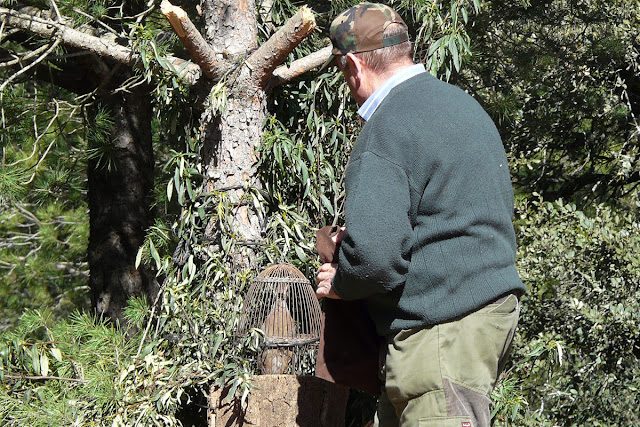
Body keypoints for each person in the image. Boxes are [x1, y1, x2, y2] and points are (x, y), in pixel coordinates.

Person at [315, 3, 527, 427]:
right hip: (478, 319)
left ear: (353, 65)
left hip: (439, 334)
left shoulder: (388, 127)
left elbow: (376, 259)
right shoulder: (461, 107)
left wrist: (340, 281)